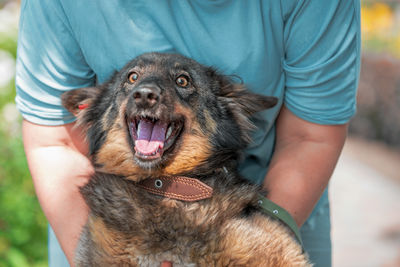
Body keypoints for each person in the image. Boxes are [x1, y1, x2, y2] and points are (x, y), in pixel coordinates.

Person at [15, 1, 360, 266]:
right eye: (133, 80)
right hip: (91, 212)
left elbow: (310, 136)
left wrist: (260, 242)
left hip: (274, 193)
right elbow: (54, 142)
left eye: (182, 83)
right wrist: (102, 256)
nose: (146, 93)